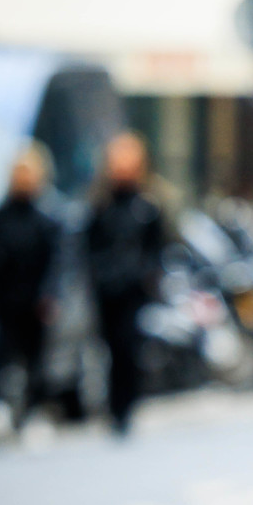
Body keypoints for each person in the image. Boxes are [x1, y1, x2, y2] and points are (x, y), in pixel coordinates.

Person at [0, 143, 60, 427]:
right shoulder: (0, 216)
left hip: (34, 303)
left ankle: (32, 412)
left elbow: (55, 263)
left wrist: (49, 296)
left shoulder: (46, 218)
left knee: (34, 360)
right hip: (3, 301)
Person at [83, 132, 164, 433]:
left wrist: (145, 278)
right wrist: (99, 276)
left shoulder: (147, 206)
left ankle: (126, 407)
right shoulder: (101, 205)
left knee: (130, 348)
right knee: (110, 349)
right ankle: (112, 406)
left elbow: (157, 250)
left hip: (133, 292)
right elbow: (89, 247)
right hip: (107, 291)